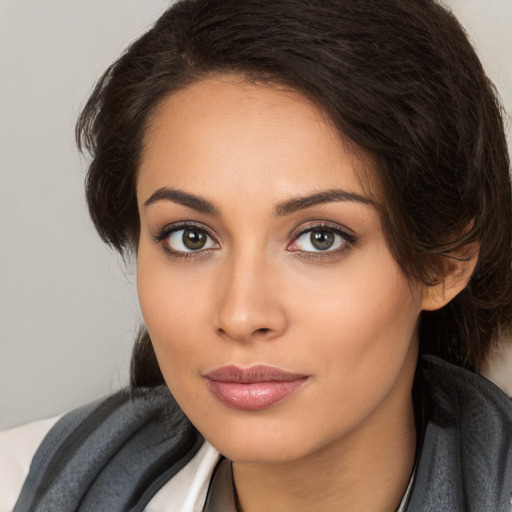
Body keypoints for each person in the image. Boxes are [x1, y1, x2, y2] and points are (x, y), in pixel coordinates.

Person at [2, 0, 512, 510]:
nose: (241, 315)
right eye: (190, 237)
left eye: (320, 238)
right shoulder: (24, 486)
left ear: (445, 261)